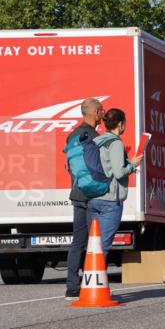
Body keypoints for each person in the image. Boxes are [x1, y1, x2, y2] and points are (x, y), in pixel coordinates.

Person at [64, 97, 105, 300]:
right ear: (96, 112)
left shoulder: (72, 136)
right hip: (93, 195)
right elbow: (99, 167)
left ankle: (72, 287)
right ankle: (93, 283)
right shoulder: (95, 137)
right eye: (102, 110)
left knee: (78, 241)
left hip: (78, 193)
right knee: (95, 242)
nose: (103, 114)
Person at [89, 108, 143, 256]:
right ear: (120, 124)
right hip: (110, 200)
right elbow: (119, 173)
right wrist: (133, 165)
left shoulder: (98, 140)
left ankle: (90, 276)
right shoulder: (116, 143)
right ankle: (97, 278)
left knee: (94, 245)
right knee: (103, 246)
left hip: (94, 197)